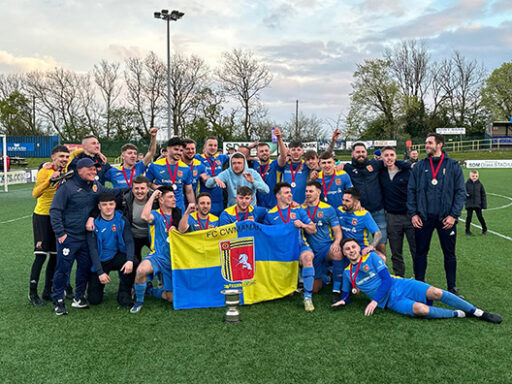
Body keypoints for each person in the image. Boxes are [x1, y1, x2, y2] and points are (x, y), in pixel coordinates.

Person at [332, 238, 502, 324]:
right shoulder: (348, 273)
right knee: (421, 310)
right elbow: (347, 293)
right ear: (344, 254)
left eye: (354, 247)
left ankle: (479, 312)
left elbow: (386, 280)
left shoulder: (371, 258)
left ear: (358, 248)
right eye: (347, 249)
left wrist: (374, 301)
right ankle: (460, 313)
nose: (352, 250)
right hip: (390, 301)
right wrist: (343, 301)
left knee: (436, 292)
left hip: (399, 284)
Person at [49, 158, 127, 315]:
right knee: (63, 270)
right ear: (79, 171)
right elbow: (55, 210)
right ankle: (58, 300)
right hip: (69, 237)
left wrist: (133, 188)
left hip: (87, 237)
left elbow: (110, 193)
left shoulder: (95, 186)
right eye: (90, 169)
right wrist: (60, 233)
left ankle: (78, 297)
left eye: (95, 169)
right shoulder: (67, 188)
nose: (94, 171)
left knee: (83, 269)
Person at [407, 133, 466, 298]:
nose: (426, 145)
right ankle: (419, 286)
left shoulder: (453, 166)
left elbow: (461, 192)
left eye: (429, 142)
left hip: (446, 218)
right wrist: (413, 214)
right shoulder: (419, 167)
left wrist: (454, 215)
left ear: (439, 144)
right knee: (420, 252)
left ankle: (452, 287)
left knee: (449, 253)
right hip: (423, 217)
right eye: (426, 142)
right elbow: (411, 191)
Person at [264, 182, 317, 312]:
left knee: (308, 257)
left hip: (300, 247)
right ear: (278, 195)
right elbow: (267, 236)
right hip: (282, 252)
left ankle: (307, 297)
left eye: (290, 192)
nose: (290, 195)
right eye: (286, 193)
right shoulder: (271, 214)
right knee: (288, 293)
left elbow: (313, 229)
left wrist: (303, 225)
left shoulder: (298, 210)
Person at [29, 145, 70, 306]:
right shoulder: (44, 171)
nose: (64, 160)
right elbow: (35, 193)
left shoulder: (66, 169)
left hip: (58, 218)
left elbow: (76, 153)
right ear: (53, 157)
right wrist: (50, 179)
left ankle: (48, 290)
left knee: (55, 255)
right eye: (61, 157)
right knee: (40, 255)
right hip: (42, 217)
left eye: (66, 157)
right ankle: (32, 293)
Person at [131, 187, 182, 313]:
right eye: (170, 197)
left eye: (174, 196)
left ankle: (151, 290)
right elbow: (144, 216)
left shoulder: (179, 213)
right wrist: (152, 196)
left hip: (174, 259)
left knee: (172, 299)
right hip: (158, 256)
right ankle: (139, 302)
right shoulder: (156, 214)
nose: (174, 199)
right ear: (161, 200)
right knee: (141, 271)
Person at [87, 192, 136, 308]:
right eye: (104, 205)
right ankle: (96, 286)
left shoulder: (122, 220)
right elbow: (92, 250)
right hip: (101, 260)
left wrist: (129, 260)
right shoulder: (93, 224)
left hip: (116, 256)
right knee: (94, 300)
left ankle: (124, 293)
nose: (108, 207)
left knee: (133, 262)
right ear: (99, 206)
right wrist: (100, 272)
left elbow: (129, 241)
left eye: (111, 204)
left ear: (115, 205)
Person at [302, 181, 345, 300]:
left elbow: (337, 230)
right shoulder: (301, 209)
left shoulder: (328, 209)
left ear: (318, 192)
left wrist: (336, 243)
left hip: (326, 248)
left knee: (337, 252)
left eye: (311, 191)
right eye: (306, 191)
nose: (308, 193)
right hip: (310, 250)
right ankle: (327, 274)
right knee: (315, 289)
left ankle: (337, 290)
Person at [379, 146, 416, 277]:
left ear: (396, 156)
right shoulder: (380, 172)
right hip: (392, 217)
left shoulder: (406, 171)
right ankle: (399, 277)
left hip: (410, 216)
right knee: (396, 251)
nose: (389, 158)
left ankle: (419, 279)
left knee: (416, 250)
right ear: (381, 157)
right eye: (386, 155)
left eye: (391, 155)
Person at [145, 137, 195, 212]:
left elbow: (189, 191)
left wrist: (193, 207)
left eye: (181, 150)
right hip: (159, 207)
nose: (179, 152)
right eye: (176, 149)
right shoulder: (155, 166)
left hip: (178, 208)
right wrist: (156, 187)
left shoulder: (186, 169)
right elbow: (147, 183)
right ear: (168, 149)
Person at [336, 187, 385, 261]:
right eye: (343, 200)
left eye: (347, 201)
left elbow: (378, 234)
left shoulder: (364, 214)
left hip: (362, 248)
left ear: (356, 202)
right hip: (345, 248)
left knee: (381, 258)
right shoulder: (339, 210)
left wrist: (370, 247)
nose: (343, 203)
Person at [120, 175, 155, 263]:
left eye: (142, 188)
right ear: (132, 189)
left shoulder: (155, 200)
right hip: (134, 236)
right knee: (135, 262)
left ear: (148, 189)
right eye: (136, 188)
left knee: (160, 258)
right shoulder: (126, 199)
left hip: (152, 235)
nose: (139, 191)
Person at [195, 136, 230, 216]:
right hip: (204, 200)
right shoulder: (197, 158)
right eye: (210, 145)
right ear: (205, 146)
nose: (213, 147)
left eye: (215, 145)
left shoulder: (221, 157)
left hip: (219, 200)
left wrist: (253, 157)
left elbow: (236, 156)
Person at [276, 129, 311, 204]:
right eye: (293, 150)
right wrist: (279, 138)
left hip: (304, 204)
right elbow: (282, 155)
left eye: (298, 150)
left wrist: (338, 163)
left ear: (302, 152)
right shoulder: (285, 163)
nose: (296, 152)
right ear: (289, 152)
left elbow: (320, 162)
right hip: (287, 203)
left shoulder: (307, 165)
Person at [253, 142, 280, 209]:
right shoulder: (255, 164)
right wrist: (251, 146)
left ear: (270, 152)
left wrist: (279, 138)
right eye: (261, 151)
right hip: (258, 205)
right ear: (257, 154)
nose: (264, 153)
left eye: (266, 150)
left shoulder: (275, 163)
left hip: (274, 205)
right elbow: (242, 156)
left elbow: (283, 155)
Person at [181, 138, 207, 204]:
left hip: (191, 201)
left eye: (193, 149)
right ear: (182, 150)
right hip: (177, 203)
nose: (191, 151)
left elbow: (206, 180)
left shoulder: (200, 165)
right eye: (187, 149)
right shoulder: (176, 164)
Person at [465, 170, 487, 236]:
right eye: (473, 176)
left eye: (476, 176)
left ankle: (484, 229)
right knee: (469, 217)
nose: (475, 177)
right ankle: (467, 231)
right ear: (470, 176)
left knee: (480, 217)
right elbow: (462, 192)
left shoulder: (480, 184)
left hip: (478, 204)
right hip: (469, 204)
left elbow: (483, 195)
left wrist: (484, 205)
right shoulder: (466, 184)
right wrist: (465, 194)